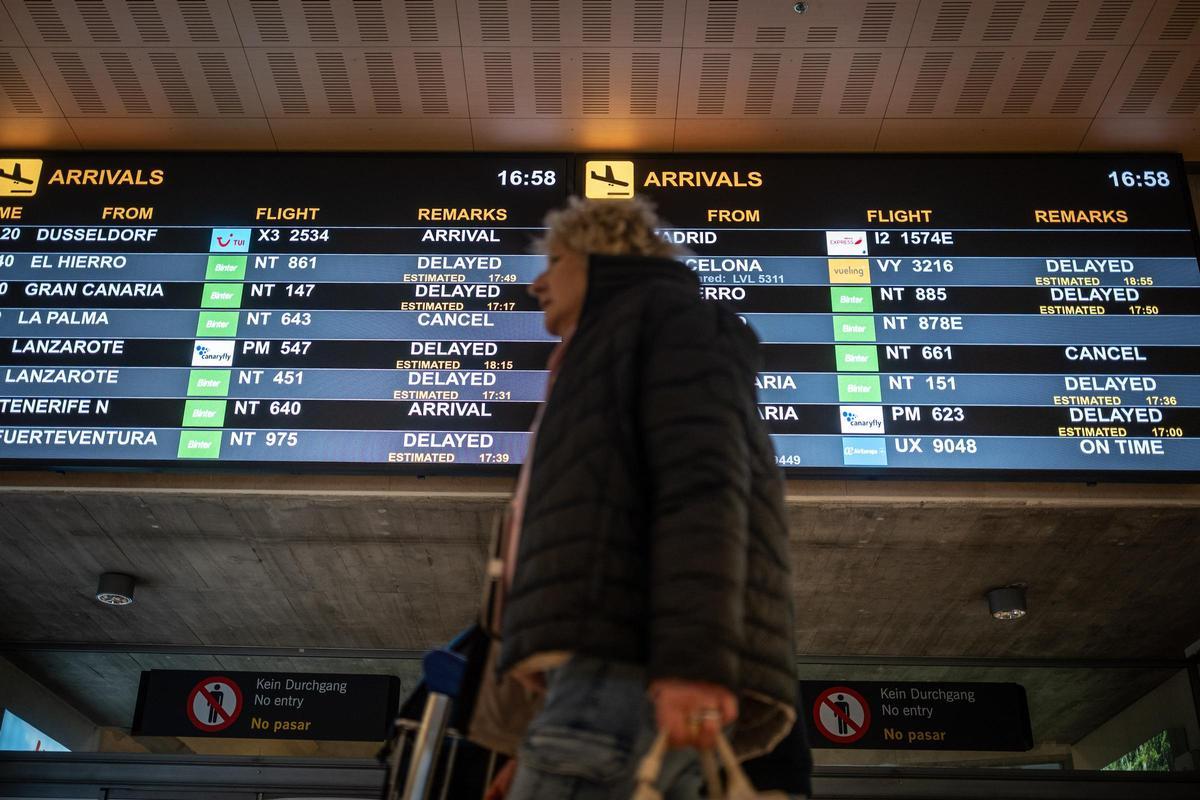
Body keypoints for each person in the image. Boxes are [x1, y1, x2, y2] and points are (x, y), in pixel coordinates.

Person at [484, 197, 797, 799]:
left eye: (554, 260)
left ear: (598, 258)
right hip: (613, 679)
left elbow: (702, 490)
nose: (536, 283)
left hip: (630, 674)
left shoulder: (669, 323)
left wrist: (692, 668)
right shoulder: (615, 343)